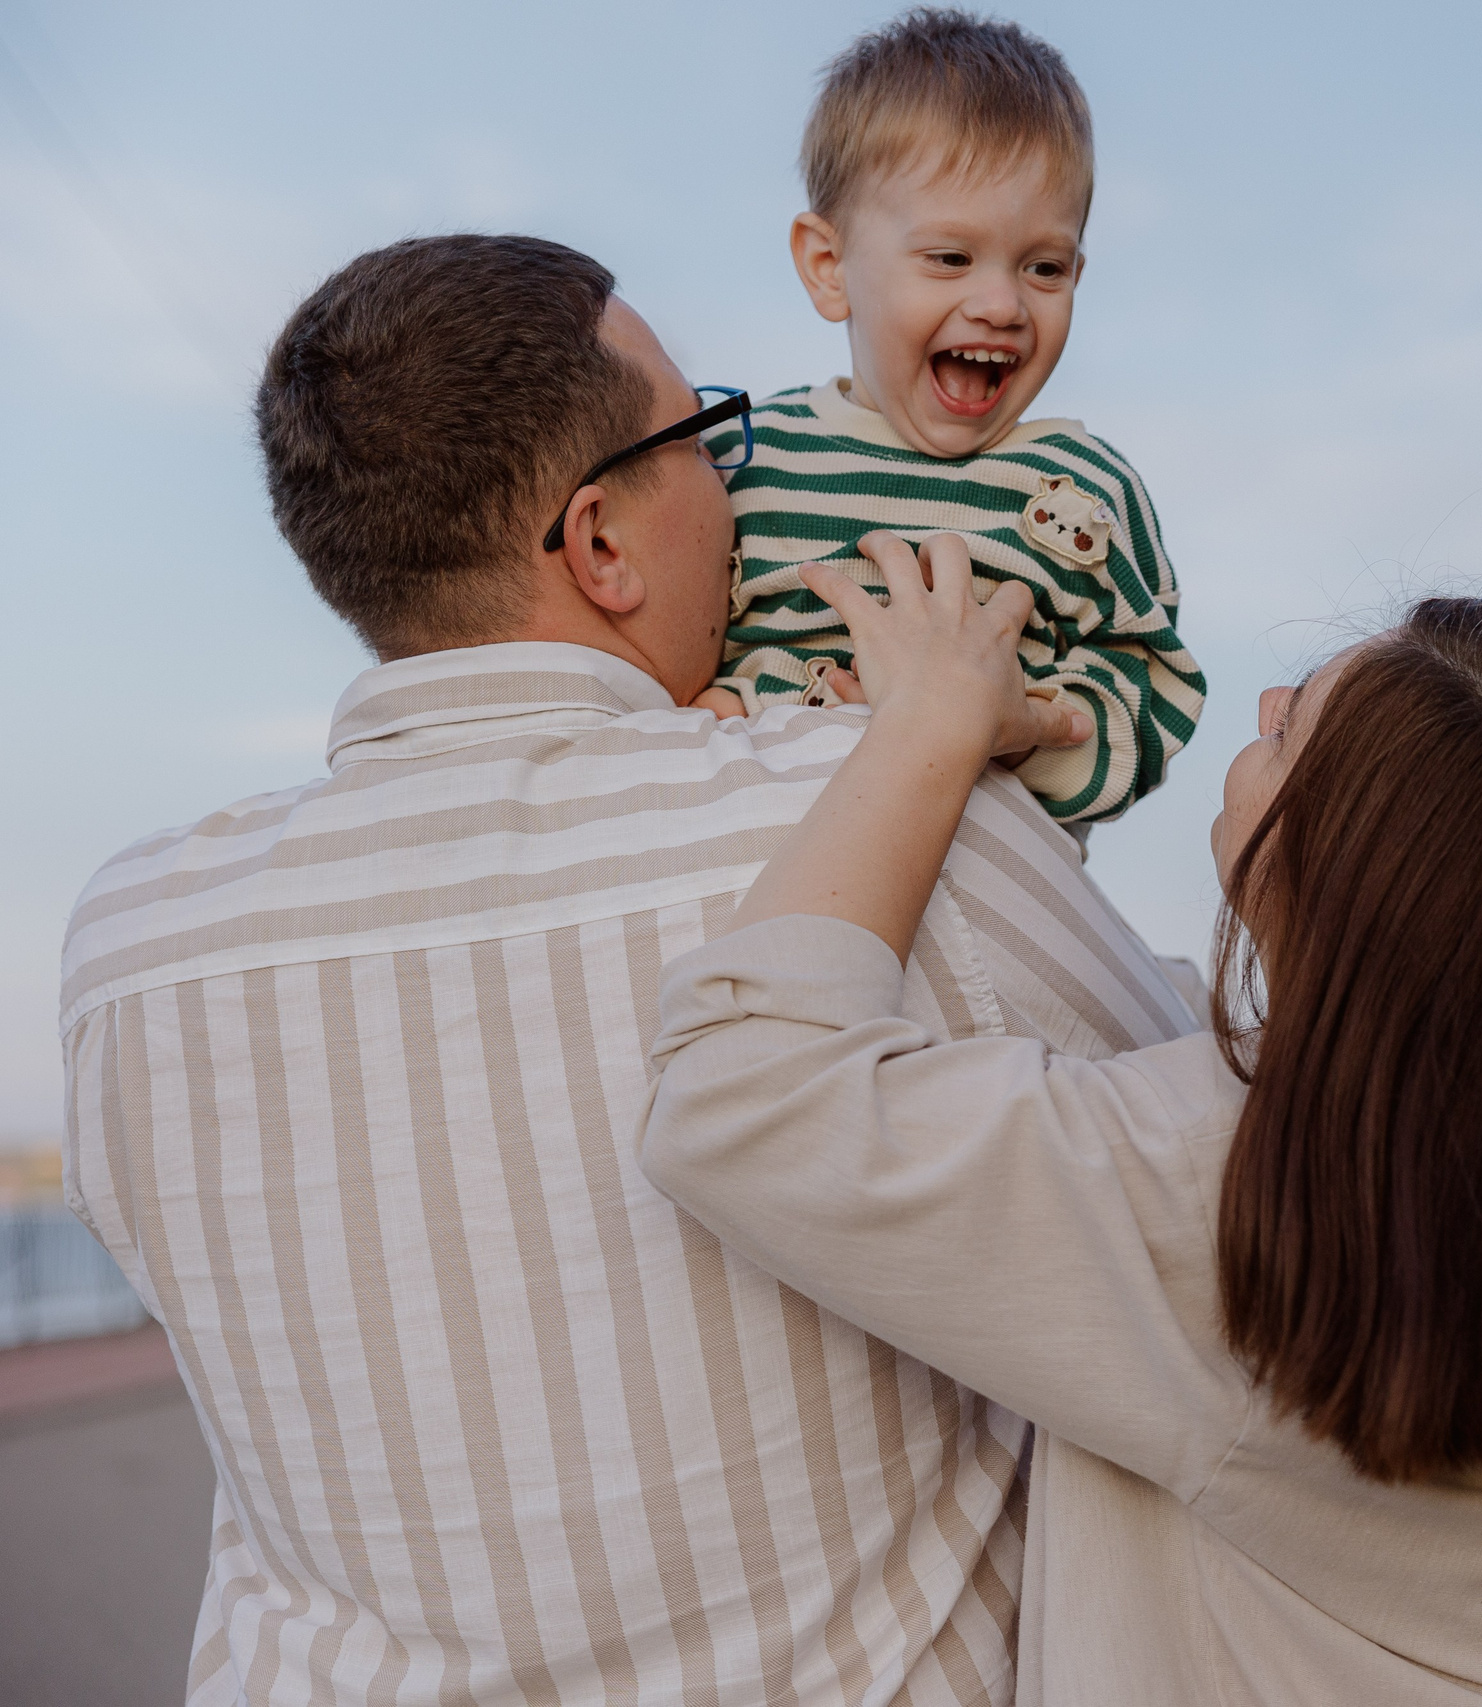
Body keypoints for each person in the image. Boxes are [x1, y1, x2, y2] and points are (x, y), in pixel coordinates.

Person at [59, 232, 1188, 1707]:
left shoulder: (130, 943)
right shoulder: (881, 803)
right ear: (599, 544)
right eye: (708, 438)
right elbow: (1225, 1145)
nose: (740, 489)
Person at [641, 535, 1482, 1705]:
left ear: (1334, 868)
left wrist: (928, 723)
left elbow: (743, 1090)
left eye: (1293, 727)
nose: (1262, 705)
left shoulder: (1219, 1193)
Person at [698, 10, 1206, 829]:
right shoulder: (739, 459)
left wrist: (1022, 725)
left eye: (1045, 267)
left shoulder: (1083, 493)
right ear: (830, 267)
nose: (1002, 303)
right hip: (753, 867)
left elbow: (1152, 699)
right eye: (951, 258)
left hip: (981, 882)